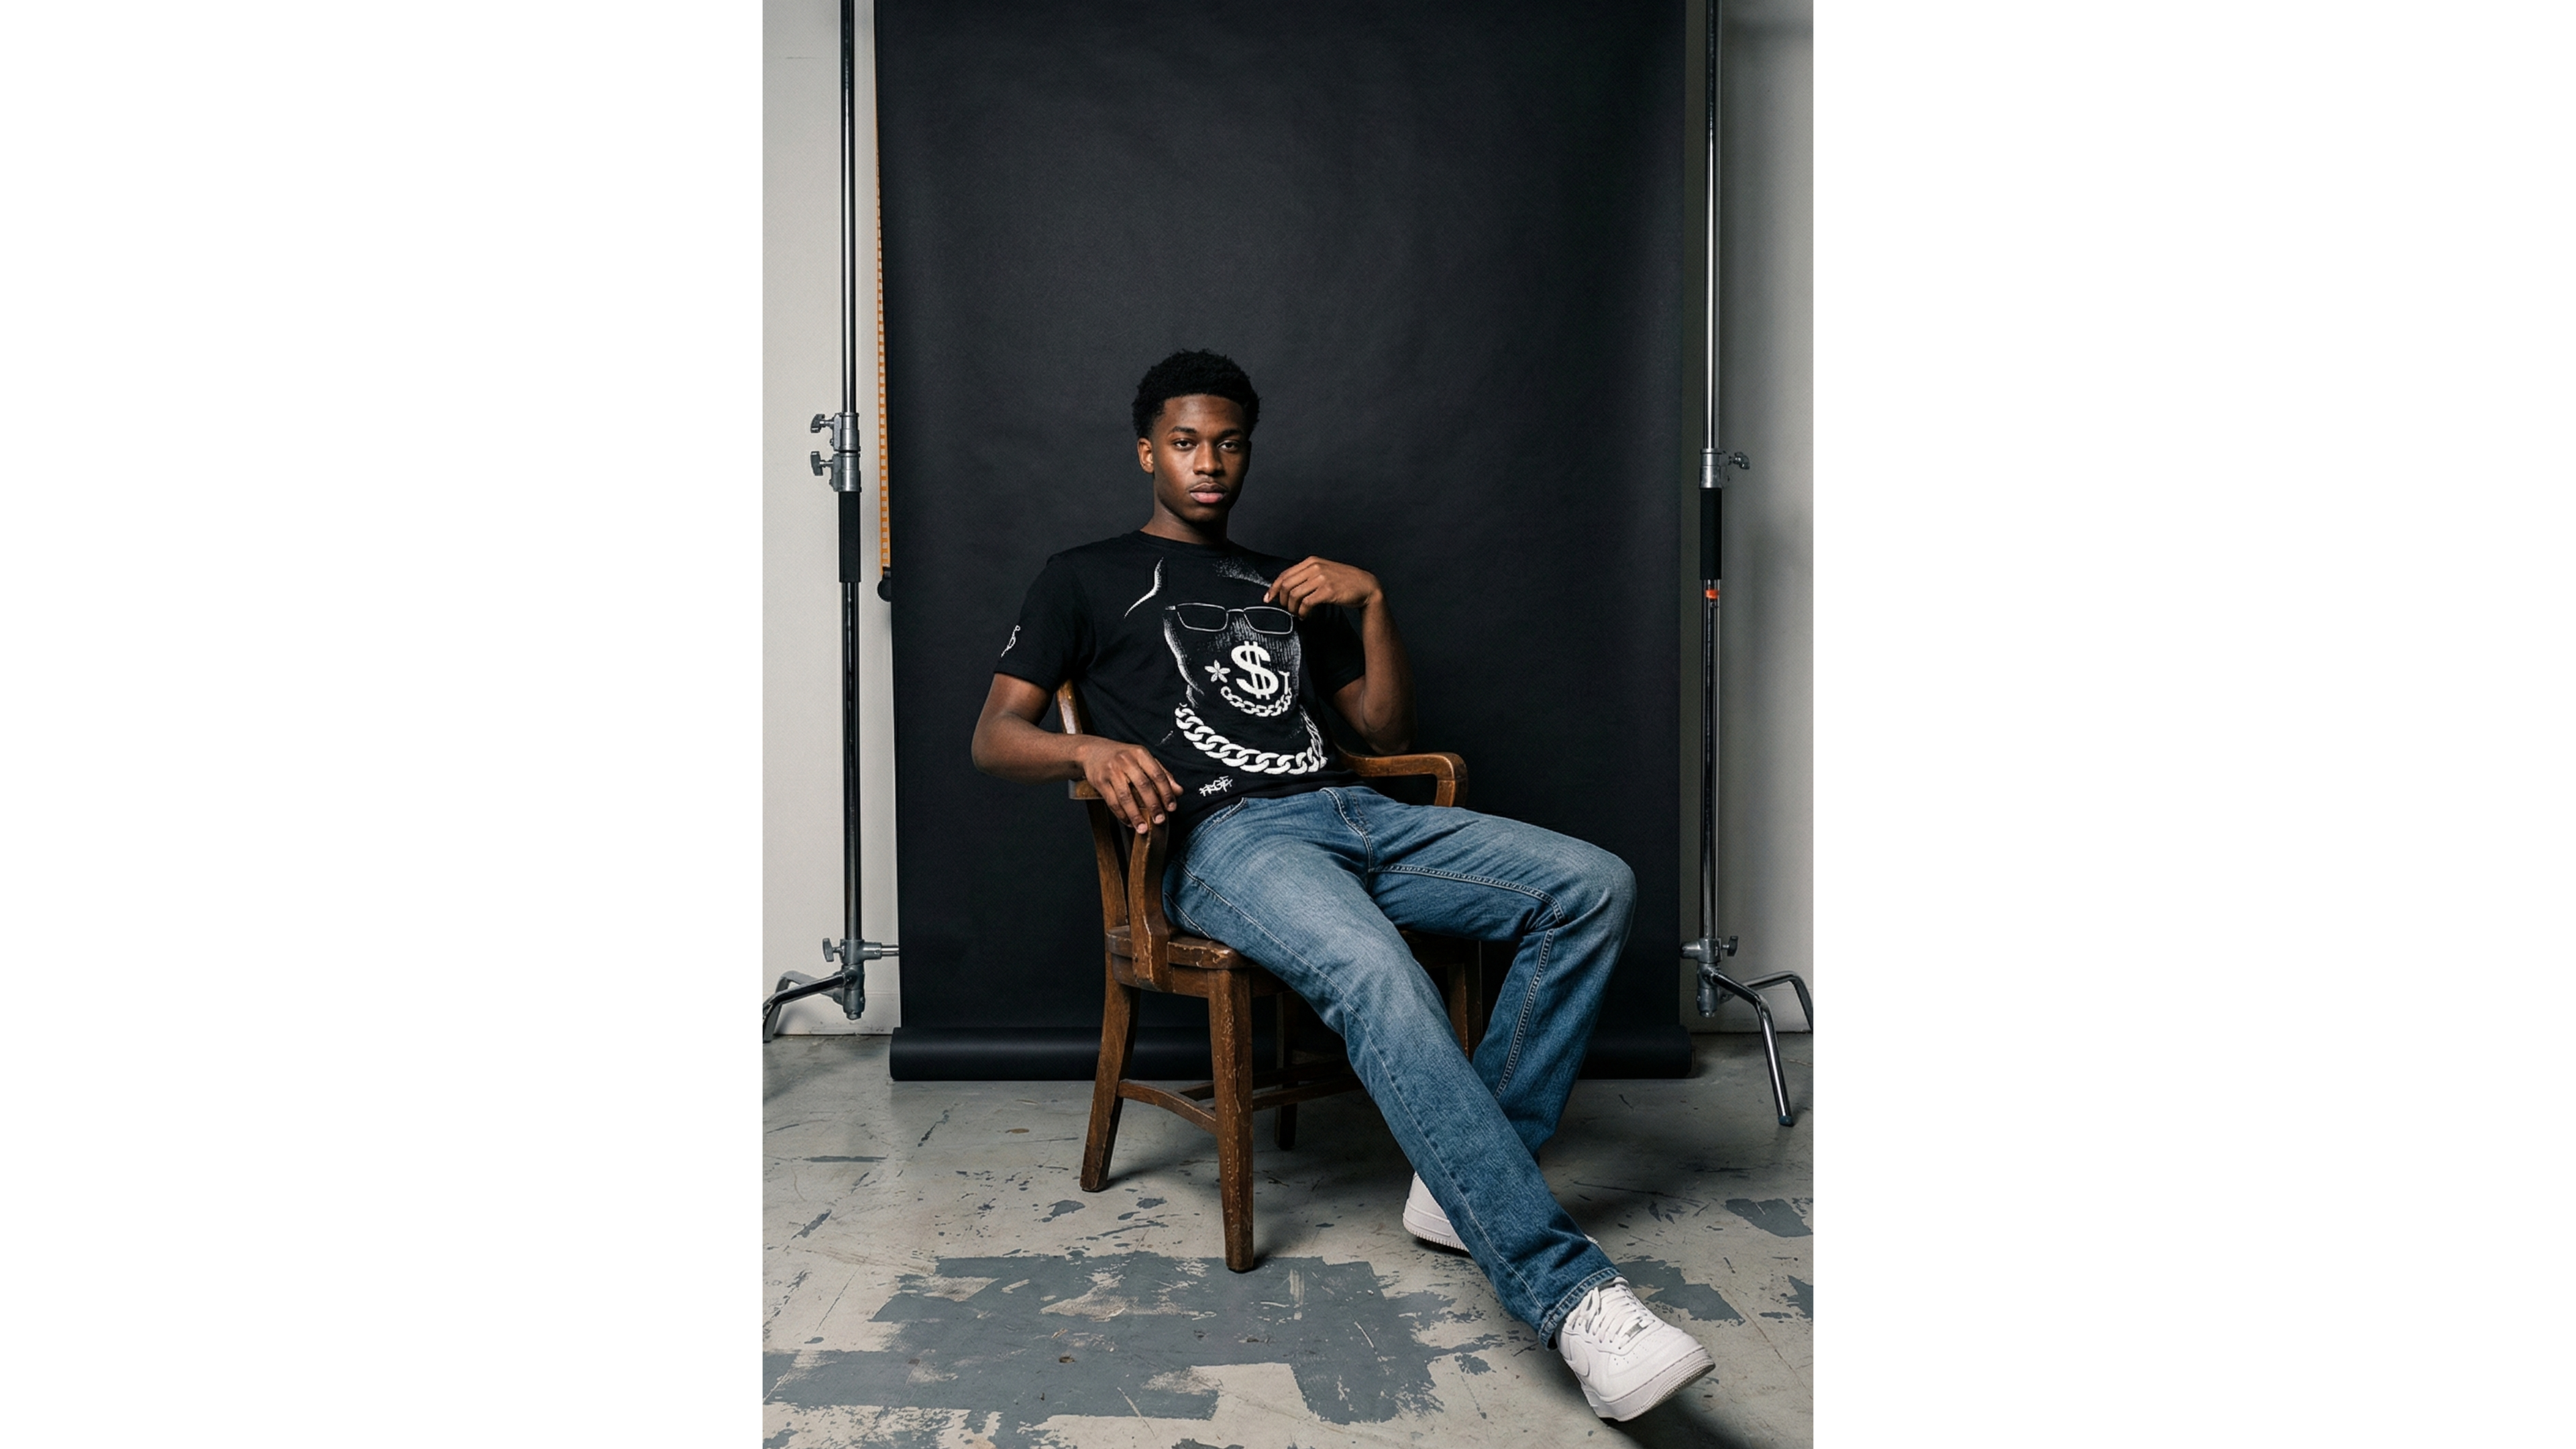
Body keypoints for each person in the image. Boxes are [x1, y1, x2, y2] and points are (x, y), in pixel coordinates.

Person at [970, 350, 1714, 1421]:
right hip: (1224, 844)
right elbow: (994, 735)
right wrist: (1085, 756)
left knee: (1593, 886)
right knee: (1374, 967)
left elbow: (1384, 733)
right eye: (1185, 442)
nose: (1209, 462)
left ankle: (1466, 1188)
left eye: (1228, 443)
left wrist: (1370, 601)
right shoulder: (1082, 574)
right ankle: (1571, 1296)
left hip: (1357, 812)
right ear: (1147, 451)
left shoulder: (1283, 581)